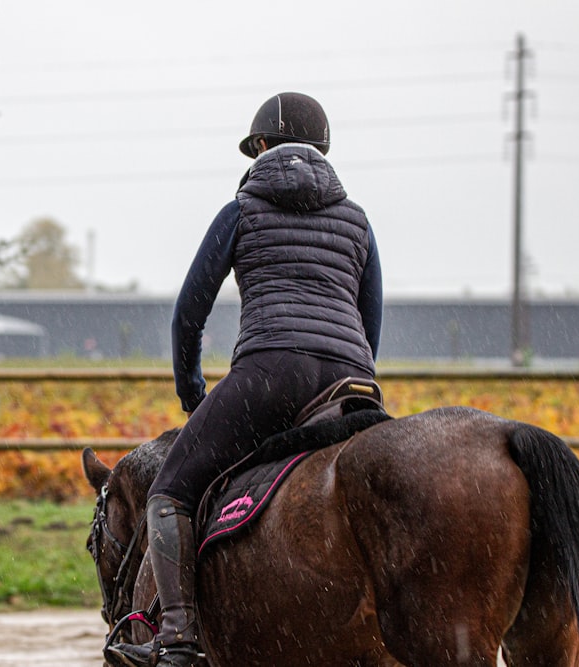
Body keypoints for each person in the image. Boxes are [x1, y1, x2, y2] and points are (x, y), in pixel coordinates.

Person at [106, 92, 383, 667]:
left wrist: (192, 391)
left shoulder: (242, 209)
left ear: (258, 148)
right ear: (325, 149)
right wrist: (353, 378)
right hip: (351, 379)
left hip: (269, 372)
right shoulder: (357, 220)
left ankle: (179, 638)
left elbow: (190, 311)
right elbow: (369, 316)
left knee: (169, 492)